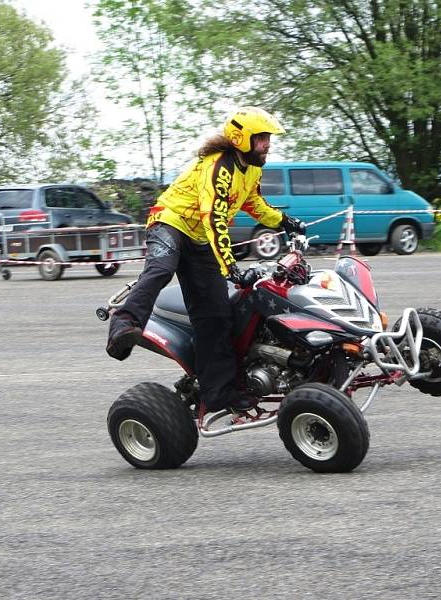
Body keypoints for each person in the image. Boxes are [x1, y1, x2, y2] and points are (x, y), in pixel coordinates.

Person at [105, 106, 306, 413]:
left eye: (268, 137)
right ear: (242, 138)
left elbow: (254, 204)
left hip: (200, 239)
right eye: (262, 138)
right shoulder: (218, 167)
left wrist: (283, 221)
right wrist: (231, 269)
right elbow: (213, 218)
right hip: (170, 223)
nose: (268, 144)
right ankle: (124, 323)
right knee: (161, 268)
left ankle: (218, 393)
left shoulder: (251, 169)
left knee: (216, 316)